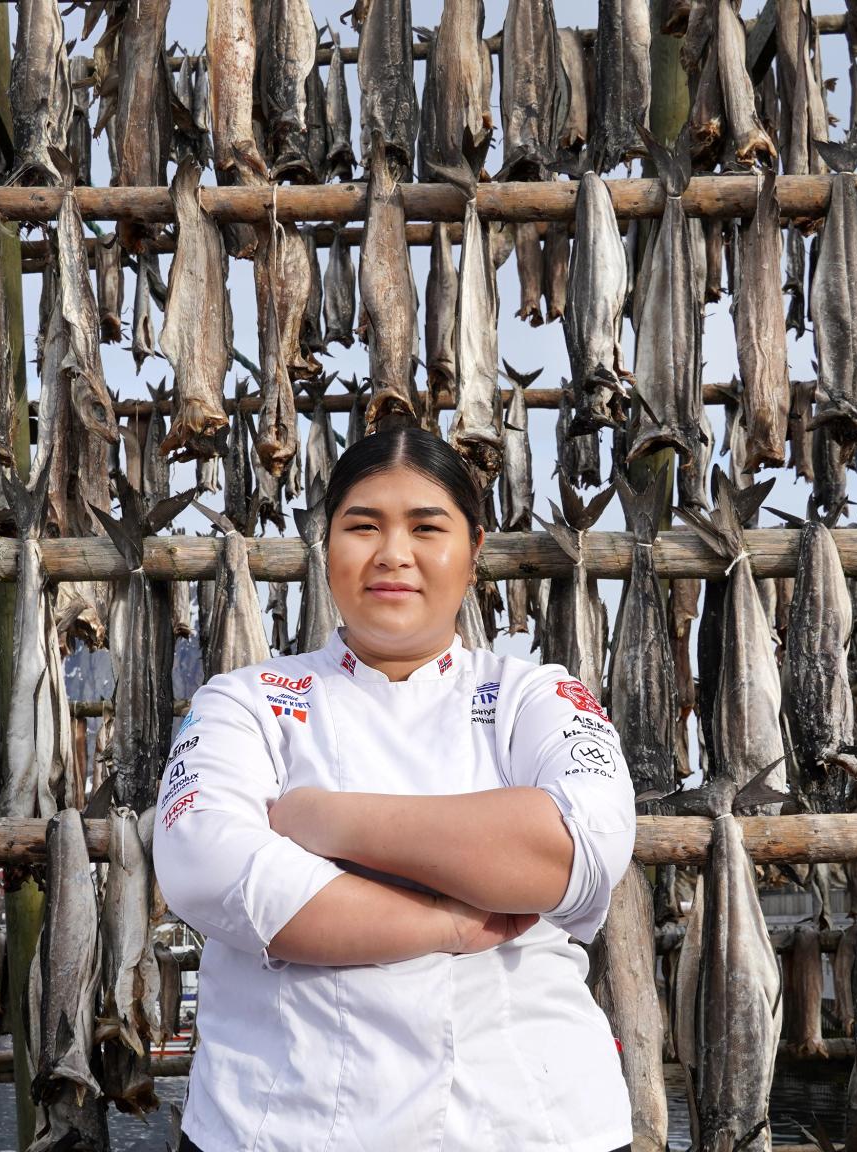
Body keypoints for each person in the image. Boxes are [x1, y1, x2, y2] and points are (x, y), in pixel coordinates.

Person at [153, 427, 638, 1151]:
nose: (392, 554)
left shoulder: (537, 695)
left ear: (474, 554)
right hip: (284, 1126)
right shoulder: (244, 701)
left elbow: (574, 851)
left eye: (426, 528)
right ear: (326, 549)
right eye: (363, 526)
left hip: (532, 1123)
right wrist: (447, 924)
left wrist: (323, 819)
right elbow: (209, 867)